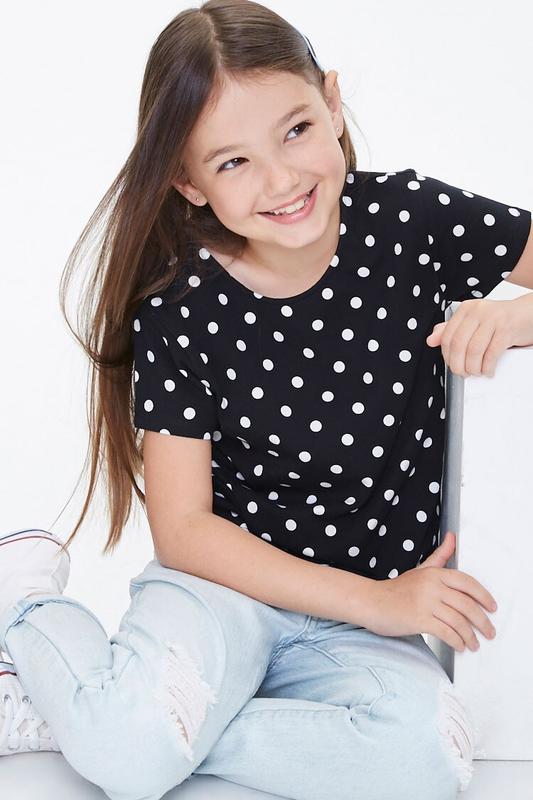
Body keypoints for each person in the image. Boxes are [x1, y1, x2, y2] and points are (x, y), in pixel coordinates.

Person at [1, 1, 531, 798]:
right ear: (187, 182)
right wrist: (380, 600)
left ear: (332, 104)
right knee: (129, 762)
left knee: (427, 762)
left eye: (295, 130)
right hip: (225, 596)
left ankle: (109, 710)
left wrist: (518, 314)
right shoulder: (181, 308)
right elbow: (185, 529)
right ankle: (27, 615)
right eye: (232, 163)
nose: (281, 180)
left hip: (362, 631)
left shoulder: (411, 221)